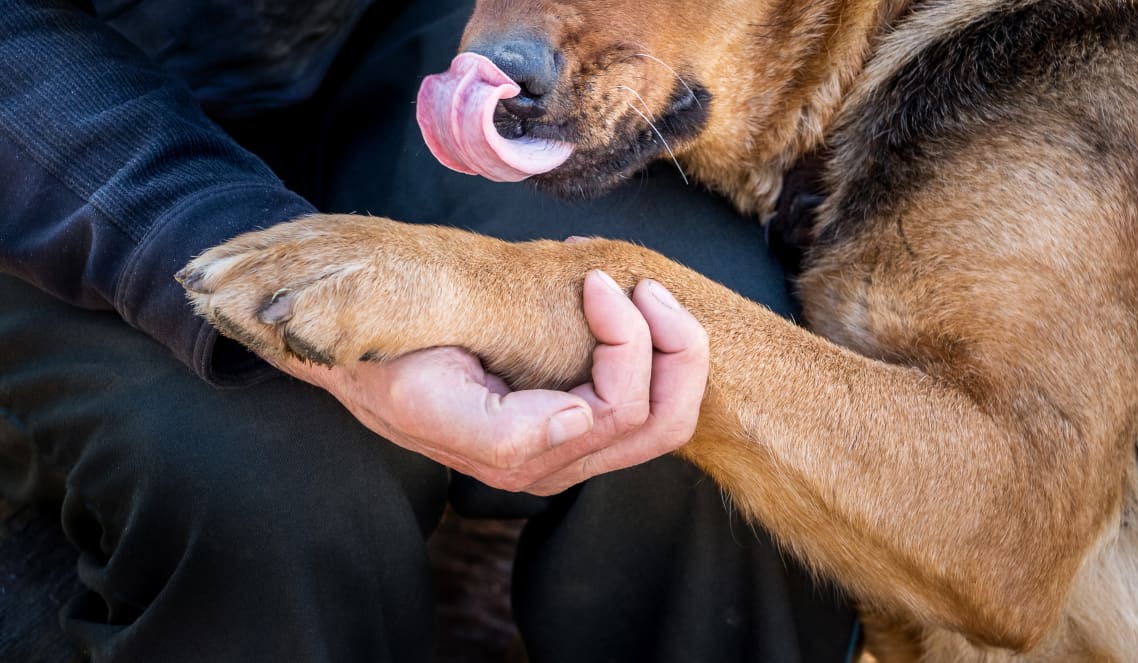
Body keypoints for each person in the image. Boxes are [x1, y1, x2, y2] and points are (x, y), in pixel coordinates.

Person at [0, 0, 858, 661]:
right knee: (280, 481)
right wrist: (214, 236)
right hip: (50, 131)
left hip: (399, 39)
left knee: (693, 354)